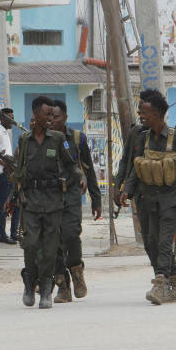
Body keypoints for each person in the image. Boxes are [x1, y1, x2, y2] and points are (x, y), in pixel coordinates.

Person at [119, 89, 176, 305]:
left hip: (171, 198)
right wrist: (126, 190)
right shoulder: (144, 138)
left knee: (165, 242)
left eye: (145, 112)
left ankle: (160, 285)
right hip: (148, 198)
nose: (141, 115)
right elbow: (135, 168)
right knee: (150, 242)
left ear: (157, 114)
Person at [8, 96, 79, 309]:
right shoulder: (24, 140)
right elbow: (19, 171)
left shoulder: (57, 139)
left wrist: (71, 180)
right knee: (30, 245)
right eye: (46, 114)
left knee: (49, 249)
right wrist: (12, 197)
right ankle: (29, 282)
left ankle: (46, 290)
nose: (50, 118)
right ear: (35, 114)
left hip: (53, 202)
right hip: (30, 202)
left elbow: (71, 166)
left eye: (52, 115)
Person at [49, 99, 100, 303]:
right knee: (53, 241)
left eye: (56, 117)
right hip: (49, 196)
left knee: (71, 234)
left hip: (71, 193)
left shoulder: (77, 138)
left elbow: (89, 169)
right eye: (49, 117)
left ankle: (77, 270)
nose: (52, 120)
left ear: (66, 117)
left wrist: (96, 199)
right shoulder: (42, 139)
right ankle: (62, 285)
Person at [0, 108, 19, 244]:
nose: (12, 120)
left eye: (13, 117)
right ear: (2, 118)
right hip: (2, 174)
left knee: (16, 203)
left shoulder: (6, 133)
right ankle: (2, 234)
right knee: (4, 204)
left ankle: (14, 233)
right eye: (10, 118)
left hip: (11, 173)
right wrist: (5, 165)